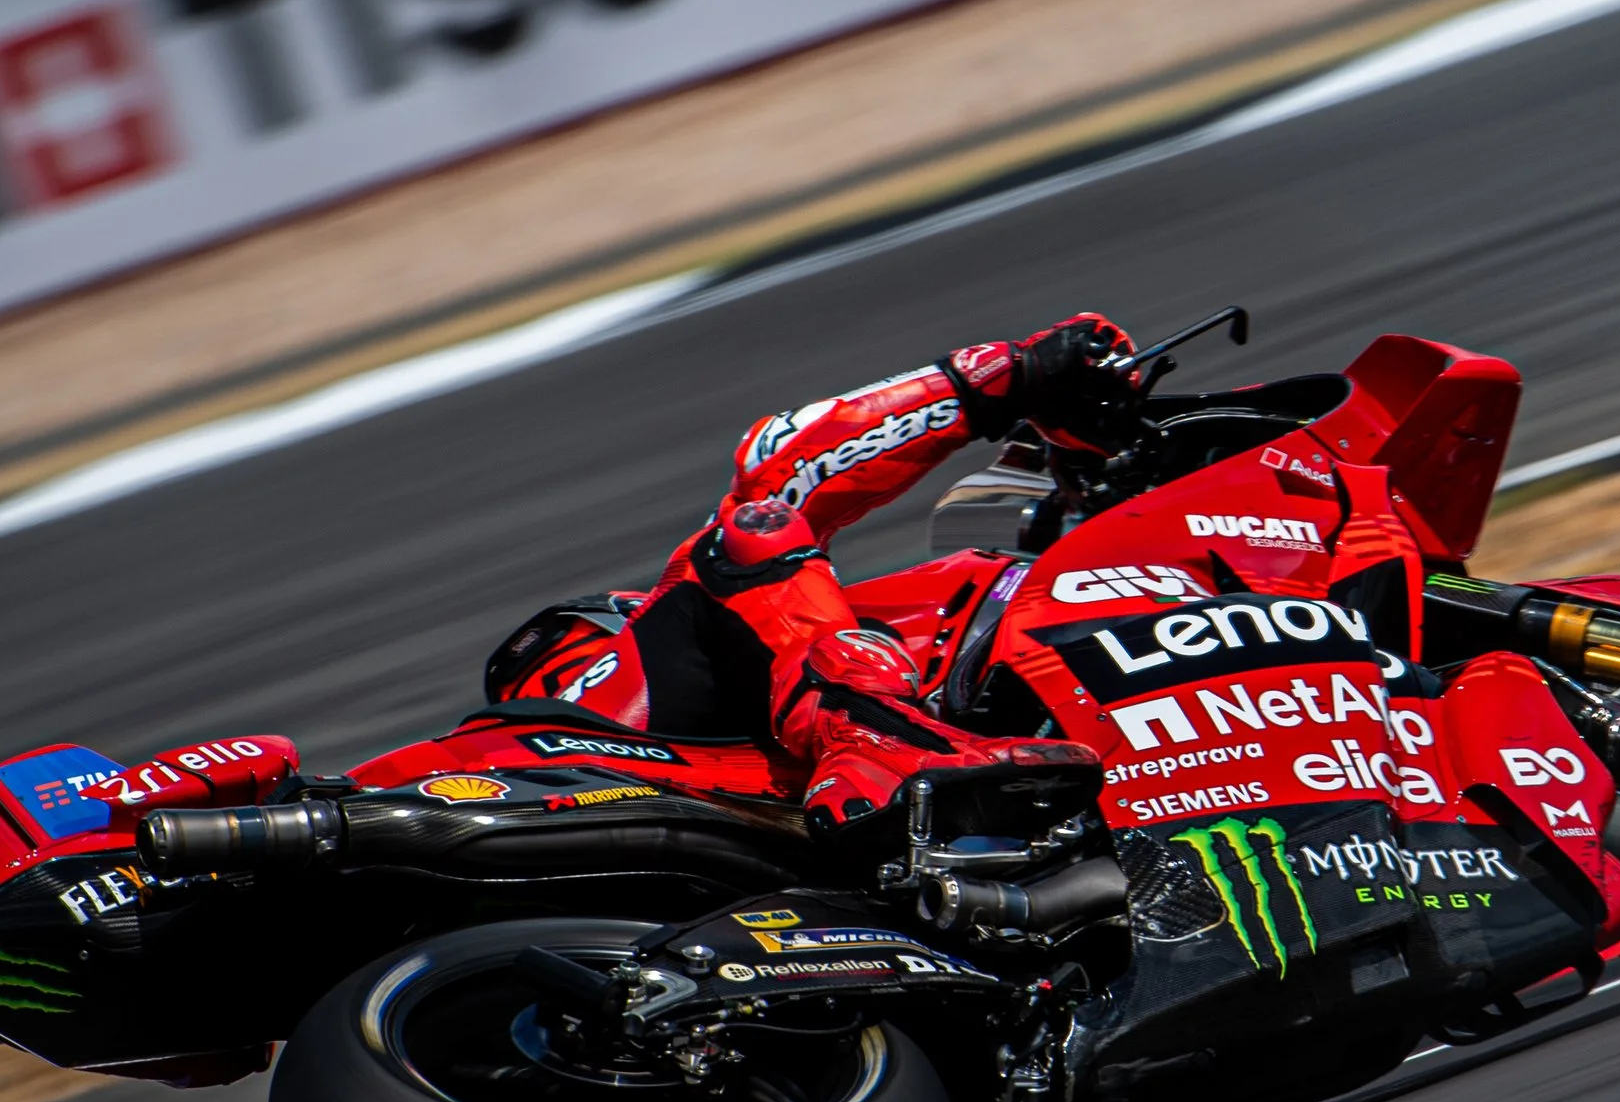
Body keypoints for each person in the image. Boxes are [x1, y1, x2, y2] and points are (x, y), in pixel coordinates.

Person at [487, 315, 1141, 845]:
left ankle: (894, 753)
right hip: (660, 781)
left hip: (766, 821)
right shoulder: (652, 642)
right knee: (750, 532)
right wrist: (995, 378)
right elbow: (772, 468)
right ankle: (875, 748)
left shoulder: (800, 648)